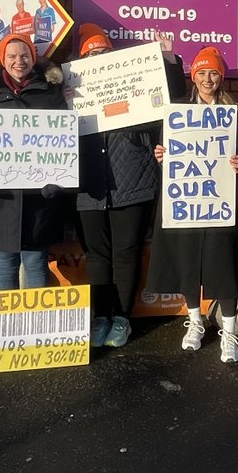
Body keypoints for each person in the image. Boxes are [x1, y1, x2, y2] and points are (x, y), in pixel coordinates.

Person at [72, 25, 185, 350]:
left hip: (132, 179)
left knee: (126, 252)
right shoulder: (73, 89)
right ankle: (100, 317)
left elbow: (171, 99)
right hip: (89, 184)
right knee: (97, 255)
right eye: (91, 55)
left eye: (103, 52)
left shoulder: (132, 79)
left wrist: (166, 59)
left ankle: (122, 319)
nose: (98, 58)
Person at [149, 46, 238, 362]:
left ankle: (230, 333)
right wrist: (163, 156)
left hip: (219, 203)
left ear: (221, 76)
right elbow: (168, 156)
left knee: (223, 265)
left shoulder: (234, 113)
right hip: (187, 203)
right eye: (202, 72)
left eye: (214, 72)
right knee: (188, 262)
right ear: (194, 77)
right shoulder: (178, 113)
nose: (207, 79)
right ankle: (195, 322)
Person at [0, 33, 67, 291]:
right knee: (4, 261)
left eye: (24, 55)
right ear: (2, 59)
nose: (18, 61)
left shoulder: (51, 91)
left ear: (33, 58)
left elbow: (63, 139)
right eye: (11, 56)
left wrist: (59, 177)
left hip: (39, 195)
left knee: (35, 260)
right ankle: (6, 328)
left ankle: (34, 327)